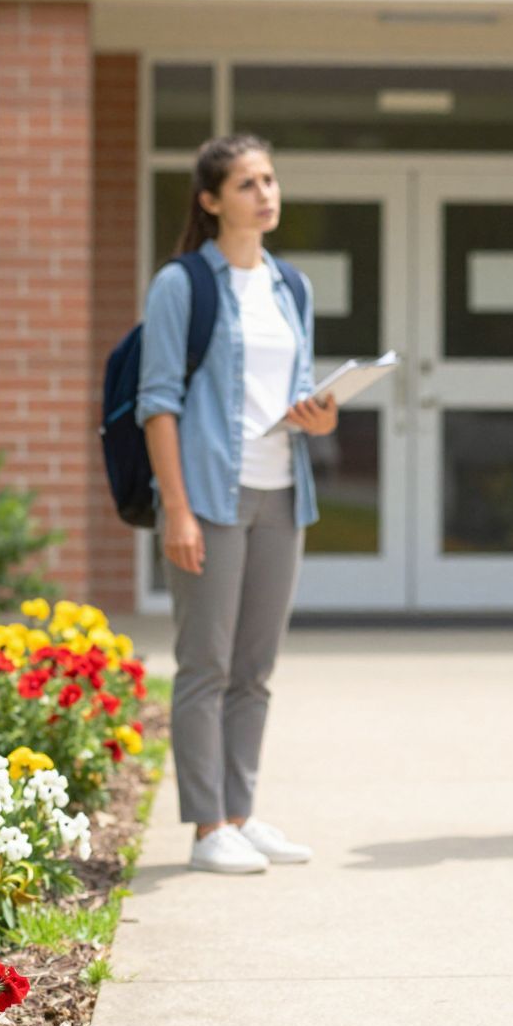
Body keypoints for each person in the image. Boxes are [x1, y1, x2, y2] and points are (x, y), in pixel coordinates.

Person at [136, 133, 338, 876]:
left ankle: (242, 815)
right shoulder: (182, 285)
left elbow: (292, 390)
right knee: (205, 664)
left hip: (283, 493)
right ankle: (207, 826)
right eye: (248, 183)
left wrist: (319, 415)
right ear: (211, 200)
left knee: (254, 667)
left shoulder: (292, 287)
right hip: (211, 497)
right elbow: (157, 404)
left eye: (270, 180)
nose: (265, 194)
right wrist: (177, 509)